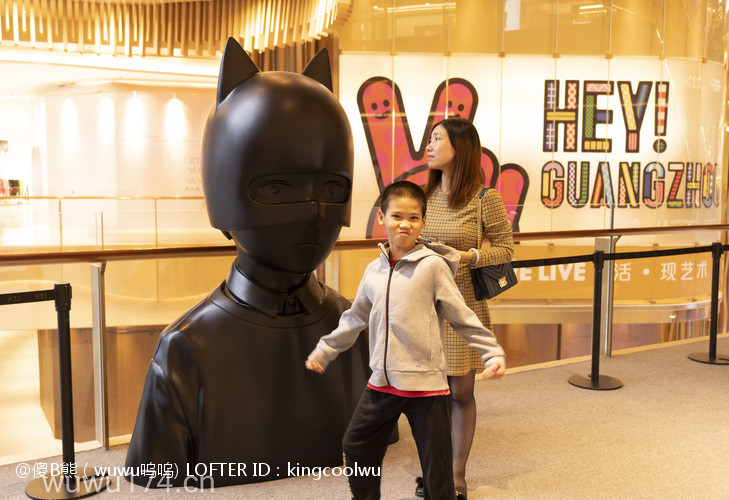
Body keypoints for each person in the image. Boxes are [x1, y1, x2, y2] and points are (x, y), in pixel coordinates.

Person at [125, 38, 369, 488]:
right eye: (276, 189)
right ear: (227, 190)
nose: (314, 211)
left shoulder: (358, 329)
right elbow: (154, 479)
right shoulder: (185, 349)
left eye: (331, 189)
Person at [305, 181, 506, 500]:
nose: (405, 224)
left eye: (413, 218)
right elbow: (355, 317)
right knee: (356, 445)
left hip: (426, 388)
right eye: (397, 216)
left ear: (423, 222)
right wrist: (325, 349)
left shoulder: (433, 267)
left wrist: (491, 353)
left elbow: (461, 315)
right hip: (382, 384)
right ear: (381, 217)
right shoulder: (374, 270)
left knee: (437, 473)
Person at [421, 117, 514, 498]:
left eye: (437, 139)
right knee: (430, 396)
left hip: (462, 303)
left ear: (460, 147)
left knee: (460, 392)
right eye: (430, 139)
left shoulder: (483, 198)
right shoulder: (425, 195)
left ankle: (456, 476)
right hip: (424, 303)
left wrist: (467, 256)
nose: (429, 146)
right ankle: (436, 471)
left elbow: (506, 249)